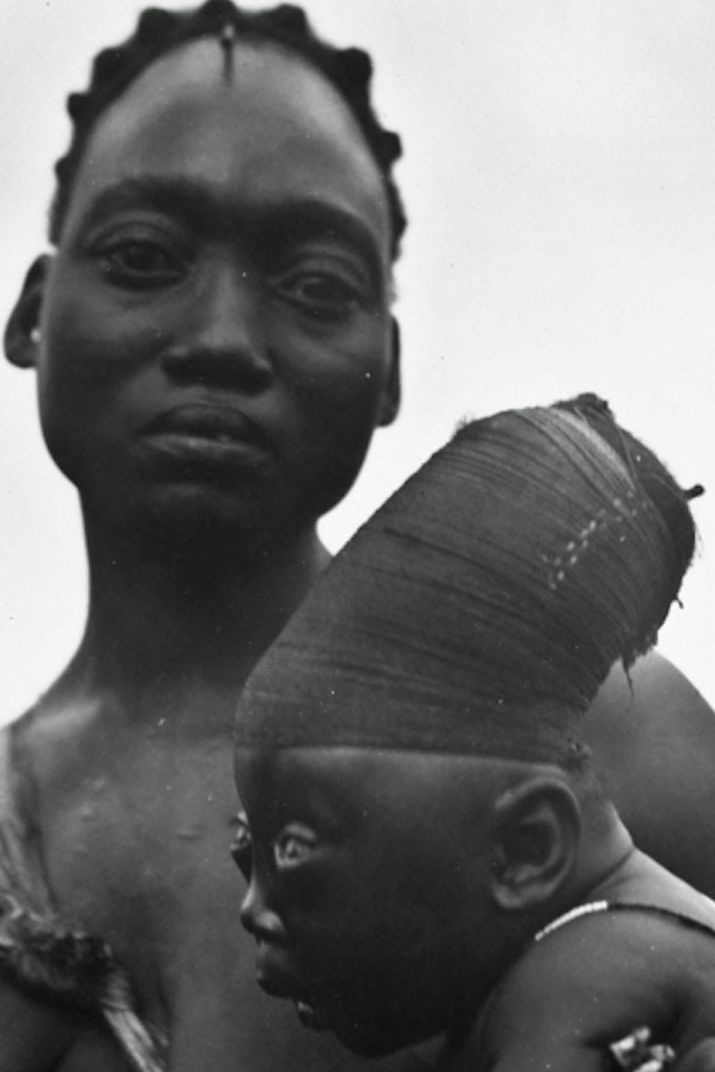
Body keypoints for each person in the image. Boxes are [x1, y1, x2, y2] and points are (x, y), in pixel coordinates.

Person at [0, 1, 713, 1070]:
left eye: (313, 284)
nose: (221, 339)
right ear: (33, 313)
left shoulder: (577, 725)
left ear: (387, 362)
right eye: (145, 255)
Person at [234, 394, 715, 1072]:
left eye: (291, 850)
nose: (252, 910)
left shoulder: (577, 988)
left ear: (525, 848)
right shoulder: (573, 965)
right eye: (243, 850)